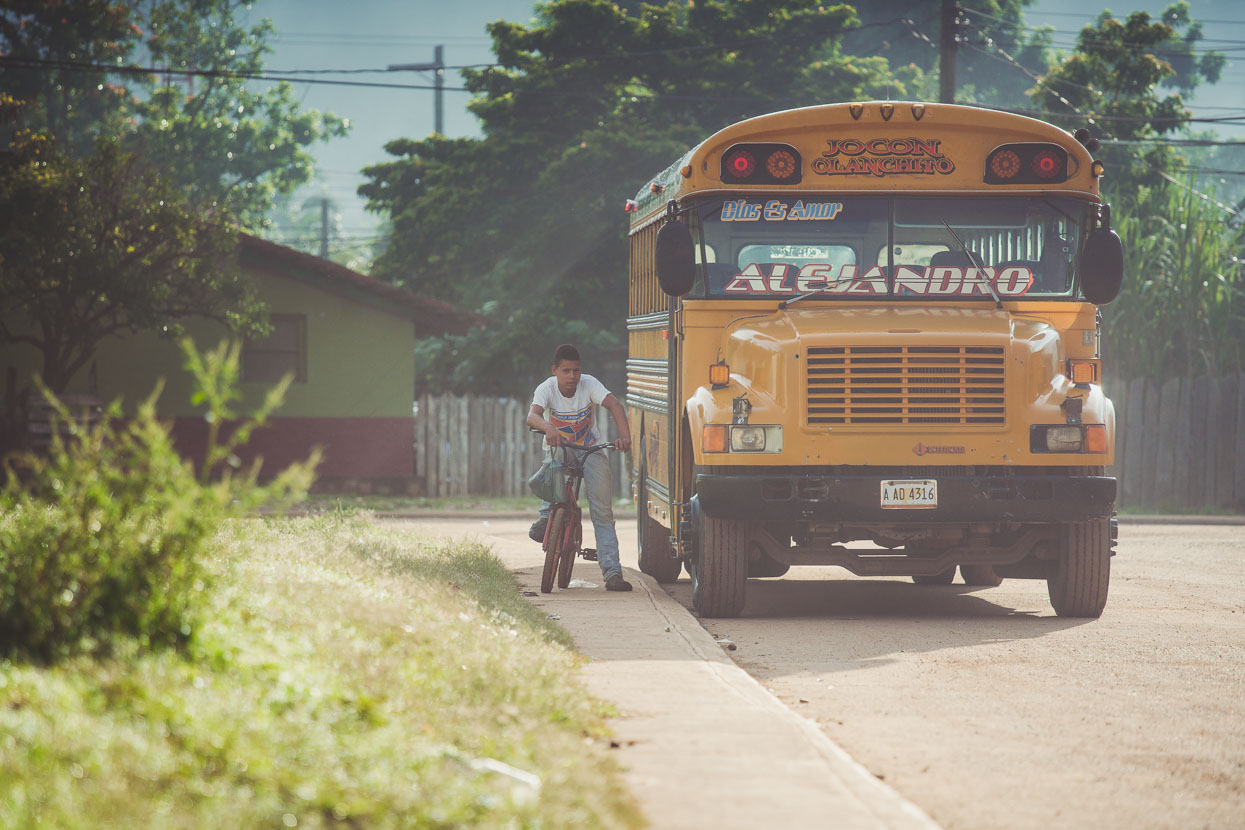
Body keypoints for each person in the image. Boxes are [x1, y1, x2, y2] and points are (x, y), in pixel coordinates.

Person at [526, 343, 634, 592]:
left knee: (602, 513)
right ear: (555, 371)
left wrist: (624, 438)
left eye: (576, 370)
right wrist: (549, 428)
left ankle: (612, 572)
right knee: (553, 460)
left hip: (590, 449)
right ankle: (546, 517)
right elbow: (532, 416)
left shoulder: (590, 384)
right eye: (566, 371)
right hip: (561, 448)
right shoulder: (546, 388)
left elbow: (615, 406)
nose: (572, 376)